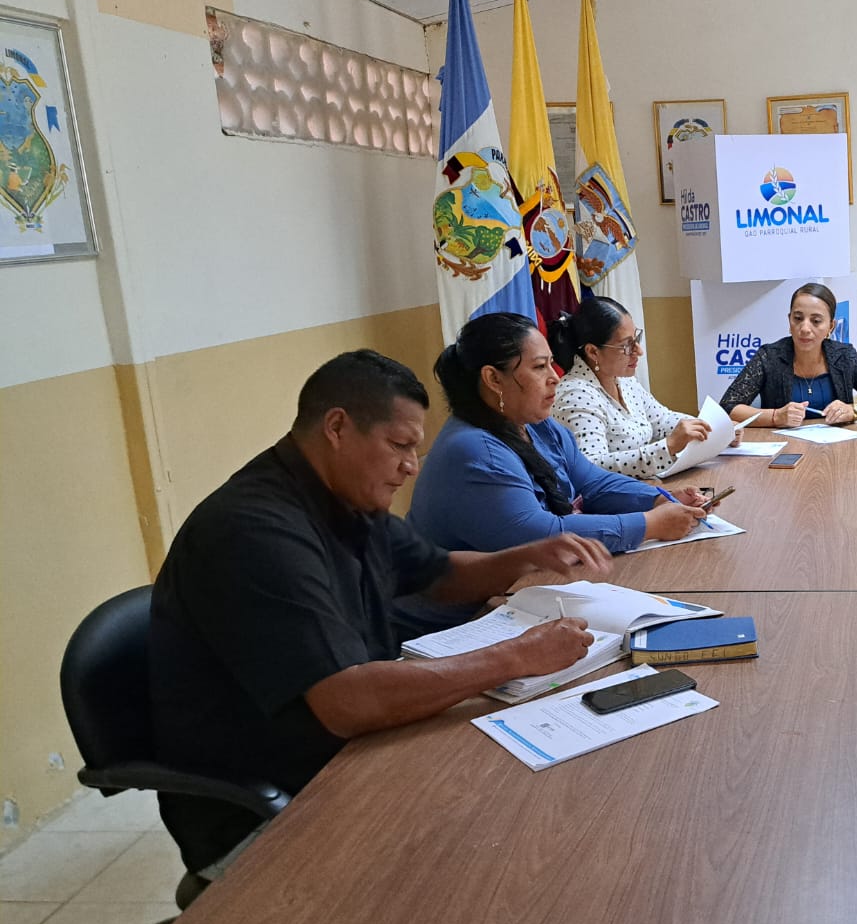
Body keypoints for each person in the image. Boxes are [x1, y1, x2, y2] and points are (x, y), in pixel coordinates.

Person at [150, 349, 612, 874]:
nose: (411, 466)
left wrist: (526, 556)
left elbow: (439, 574)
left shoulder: (344, 497)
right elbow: (346, 703)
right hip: (272, 809)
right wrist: (516, 658)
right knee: (500, 853)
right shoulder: (255, 532)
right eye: (399, 446)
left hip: (356, 753)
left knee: (535, 807)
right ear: (337, 427)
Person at [404, 314, 709, 628]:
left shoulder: (536, 425)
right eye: (539, 367)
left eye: (552, 363)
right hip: (452, 625)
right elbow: (542, 536)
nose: (555, 377)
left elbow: (592, 482)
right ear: (493, 379)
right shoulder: (474, 449)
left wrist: (657, 499)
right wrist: (649, 525)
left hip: (514, 598)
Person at [551, 295, 729, 480]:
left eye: (636, 338)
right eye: (626, 346)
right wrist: (668, 447)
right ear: (593, 352)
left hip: (645, 485)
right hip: (611, 496)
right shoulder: (574, 395)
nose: (639, 351)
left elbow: (662, 420)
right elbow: (592, 465)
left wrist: (711, 428)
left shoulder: (623, 379)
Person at [719, 282, 857, 427]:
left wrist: (853, 411)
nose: (805, 328)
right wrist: (775, 416)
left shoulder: (844, 356)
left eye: (816, 321)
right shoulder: (769, 357)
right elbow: (727, 408)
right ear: (789, 320)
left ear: (831, 326)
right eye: (798, 318)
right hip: (781, 449)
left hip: (836, 449)